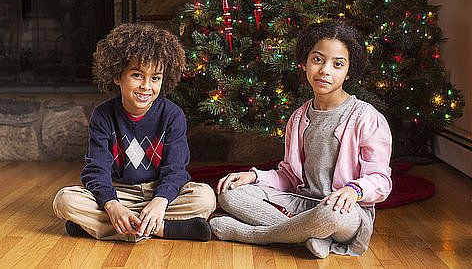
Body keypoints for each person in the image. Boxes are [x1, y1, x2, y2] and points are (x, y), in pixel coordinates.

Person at [209, 20, 392, 258]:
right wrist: (254, 176)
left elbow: (381, 180)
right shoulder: (298, 118)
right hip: (302, 203)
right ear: (305, 62)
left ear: (349, 72)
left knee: (329, 214)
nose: (325, 70)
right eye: (317, 59)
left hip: (344, 211)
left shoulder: (367, 118)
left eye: (338, 64)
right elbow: (288, 176)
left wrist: (354, 191)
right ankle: (309, 238)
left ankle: (254, 235)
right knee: (229, 193)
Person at [53, 22, 216, 242]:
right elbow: (96, 169)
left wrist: (160, 201)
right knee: (64, 200)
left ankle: (104, 228)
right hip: (118, 193)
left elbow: (176, 169)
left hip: (158, 191)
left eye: (155, 78)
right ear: (117, 76)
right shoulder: (103, 115)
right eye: (137, 75)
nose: (147, 86)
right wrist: (112, 206)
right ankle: (162, 229)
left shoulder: (172, 115)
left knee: (205, 198)